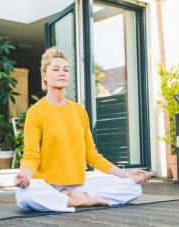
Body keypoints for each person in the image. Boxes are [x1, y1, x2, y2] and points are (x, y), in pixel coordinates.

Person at [14, 47, 150, 212]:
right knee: (25, 194)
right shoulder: (36, 112)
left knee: (133, 187)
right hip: (49, 186)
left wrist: (126, 174)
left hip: (79, 185)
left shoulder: (79, 111)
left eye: (66, 70)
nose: (62, 73)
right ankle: (83, 201)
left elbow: (92, 156)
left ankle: (70, 199)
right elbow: (31, 155)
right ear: (44, 75)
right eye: (55, 69)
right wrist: (25, 175)